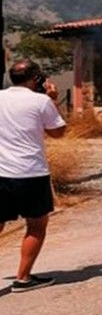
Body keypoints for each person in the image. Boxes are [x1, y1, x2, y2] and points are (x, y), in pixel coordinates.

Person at [0, 59, 67, 292]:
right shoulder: (41, 101)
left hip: (1, 173)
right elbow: (58, 133)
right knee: (36, 225)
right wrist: (53, 99)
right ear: (36, 79)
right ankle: (23, 278)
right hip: (31, 174)